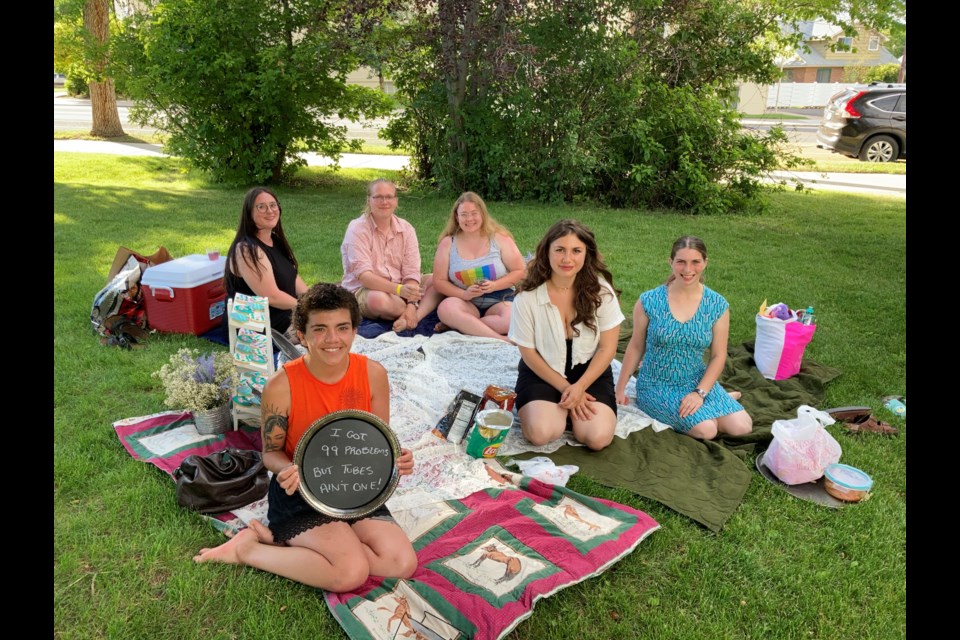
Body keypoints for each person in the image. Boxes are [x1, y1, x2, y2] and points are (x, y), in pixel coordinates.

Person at [194, 283, 417, 592]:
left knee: (401, 563)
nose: (332, 339)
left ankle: (294, 546)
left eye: (342, 328)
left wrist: (397, 458)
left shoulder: (373, 374)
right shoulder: (281, 384)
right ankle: (248, 550)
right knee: (350, 573)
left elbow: (378, 440)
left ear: (354, 331)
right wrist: (285, 469)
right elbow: (270, 453)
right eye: (320, 329)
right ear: (301, 334)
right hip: (301, 491)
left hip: (355, 487)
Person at [615, 236, 752, 441]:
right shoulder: (649, 301)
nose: (688, 269)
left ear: (705, 262)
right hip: (656, 384)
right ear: (671, 262)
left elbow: (718, 356)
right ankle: (712, 409)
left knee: (742, 427)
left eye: (695, 262)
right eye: (681, 261)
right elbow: (635, 347)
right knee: (707, 430)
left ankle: (713, 401)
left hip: (695, 380)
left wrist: (700, 393)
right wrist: (620, 389)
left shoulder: (717, 304)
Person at [507, 219, 624, 451]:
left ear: (586, 254)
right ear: (547, 252)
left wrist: (580, 387)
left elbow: (607, 348)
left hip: (589, 371)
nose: (567, 259)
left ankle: (570, 410)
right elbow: (528, 352)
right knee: (541, 434)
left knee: (597, 438)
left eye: (576, 251)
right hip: (543, 369)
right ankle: (558, 409)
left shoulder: (601, 291)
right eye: (559, 250)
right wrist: (565, 388)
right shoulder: (527, 297)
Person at [340, 178, 442, 333]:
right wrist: (400, 291)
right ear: (369, 200)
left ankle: (411, 315)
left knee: (438, 280)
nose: (384, 202)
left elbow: (411, 271)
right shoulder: (357, 229)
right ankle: (416, 311)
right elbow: (364, 276)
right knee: (378, 301)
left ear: (396, 201)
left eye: (389, 197)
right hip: (367, 290)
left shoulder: (406, 228)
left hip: (402, 288)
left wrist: (410, 302)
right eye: (378, 197)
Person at [431, 192, 526, 341]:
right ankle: (500, 339)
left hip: (500, 297)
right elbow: (438, 281)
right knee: (446, 309)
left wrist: (494, 285)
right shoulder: (448, 243)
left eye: (474, 213)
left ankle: (462, 326)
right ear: (457, 217)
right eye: (464, 214)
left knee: (510, 320)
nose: (469, 219)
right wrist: (464, 295)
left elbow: (520, 270)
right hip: (465, 300)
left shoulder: (499, 238)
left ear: (482, 214)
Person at [223, 187, 309, 335]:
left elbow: (293, 279)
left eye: (273, 205)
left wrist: (316, 300)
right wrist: (309, 308)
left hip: (281, 313)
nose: (270, 211)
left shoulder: (275, 240)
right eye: (261, 207)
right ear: (249, 214)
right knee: (319, 329)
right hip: (253, 323)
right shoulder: (246, 250)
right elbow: (272, 297)